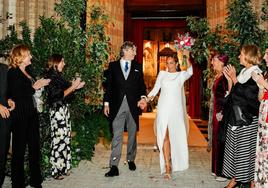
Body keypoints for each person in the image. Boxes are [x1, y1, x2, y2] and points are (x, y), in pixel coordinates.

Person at [7, 44, 50, 188]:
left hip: (32, 114)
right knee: (19, 151)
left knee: (34, 148)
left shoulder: (28, 71)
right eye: (29, 55)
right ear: (21, 57)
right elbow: (16, 95)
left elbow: (29, 90)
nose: (31, 57)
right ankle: (18, 183)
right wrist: (34, 87)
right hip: (19, 116)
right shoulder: (12, 73)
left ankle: (35, 181)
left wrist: (38, 85)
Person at [103, 41, 147, 177]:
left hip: (133, 106)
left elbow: (142, 86)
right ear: (126, 51)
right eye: (133, 50)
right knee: (117, 135)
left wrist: (143, 98)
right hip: (117, 106)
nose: (135, 53)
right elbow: (108, 87)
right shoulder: (113, 66)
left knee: (132, 135)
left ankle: (130, 159)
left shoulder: (138, 66)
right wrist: (106, 104)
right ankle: (114, 166)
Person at [222, 44, 262, 188]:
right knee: (237, 152)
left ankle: (247, 182)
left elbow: (248, 97)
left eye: (241, 54)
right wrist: (229, 79)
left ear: (248, 56)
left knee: (246, 153)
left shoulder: (255, 73)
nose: (239, 56)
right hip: (237, 119)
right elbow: (234, 94)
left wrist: (234, 78)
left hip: (248, 120)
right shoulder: (245, 71)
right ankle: (236, 179)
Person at [147, 54, 193, 179]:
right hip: (163, 108)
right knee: (164, 135)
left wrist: (186, 55)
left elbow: (190, 71)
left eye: (171, 63)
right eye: (167, 63)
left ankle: (174, 158)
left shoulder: (181, 75)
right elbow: (156, 89)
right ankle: (167, 165)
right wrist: (146, 99)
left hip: (176, 110)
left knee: (175, 136)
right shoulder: (162, 74)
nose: (169, 65)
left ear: (176, 64)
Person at [45, 54, 85, 180]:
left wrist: (75, 87)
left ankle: (63, 168)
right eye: (62, 61)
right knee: (58, 140)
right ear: (56, 63)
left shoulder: (58, 76)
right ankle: (56, 170)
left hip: (63, 110)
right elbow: (58, 96)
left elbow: (67, 91)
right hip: (57, 111)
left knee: (65, 139)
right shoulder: (50, 76)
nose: (64, 63)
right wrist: (73, 87)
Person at [209, 54, 229, 181]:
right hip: (216, 111)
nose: (212, 63)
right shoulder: (219, 77)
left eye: (215, 61)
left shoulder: (225, 78)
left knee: (221, 141)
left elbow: (227, 97)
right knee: (216, 140)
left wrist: (222, 112)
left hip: (221, 113)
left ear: (221, 63)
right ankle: (215, 169)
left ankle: (222, 172)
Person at [251, 47, 268, 188]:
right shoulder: (266, 73)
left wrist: (263, 83)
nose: (265, 57)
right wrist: (261, 87)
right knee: (262, 150)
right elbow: (260, 98)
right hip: (263, 116)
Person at [0, 61, 15, 188]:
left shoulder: (4, 68)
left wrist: (9, 100)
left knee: (3, 150)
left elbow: (7, 91)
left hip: (4, 118)